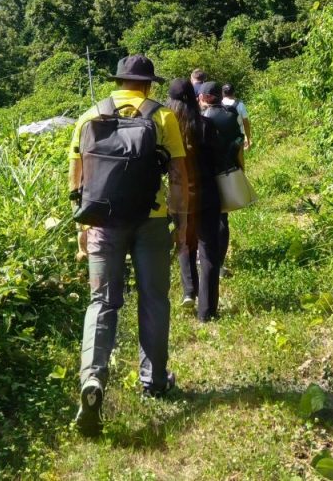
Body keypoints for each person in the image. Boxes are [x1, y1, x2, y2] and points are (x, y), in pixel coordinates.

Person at [69, 55, 188, 436]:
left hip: (102, 223)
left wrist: (82, 230)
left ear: (118, 81)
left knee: (101, 302)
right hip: (151, 222)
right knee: (153, 298)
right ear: (148, 85)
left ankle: (92, 379)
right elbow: (179, 178)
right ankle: (153, 381)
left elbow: (78, 181)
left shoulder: (89, 116)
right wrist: (181, 225)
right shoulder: (162, 117)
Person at [165, 79, 220, 311]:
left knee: (185, 245)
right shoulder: (206, 126)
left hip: (179, 197)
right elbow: (218, 162)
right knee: (208, 251)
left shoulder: (166, 131)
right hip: (206, 194)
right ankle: (206, 311)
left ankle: (189, 291)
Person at [196, 81, 245, 321]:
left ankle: (207, 264)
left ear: (204, 97)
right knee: (223, 218)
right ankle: (221, 260)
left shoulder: (202, 120)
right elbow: (238, 145)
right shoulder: (230, 115)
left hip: (206, 178)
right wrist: (241, 171)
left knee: (210, 222)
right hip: (228, 172)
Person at [222, 83, 251, 151]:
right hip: (238, 137)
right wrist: (248, 138)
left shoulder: (219, 105)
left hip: (223, 138)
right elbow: (246, 123)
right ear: (234, 92)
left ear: (222, 93)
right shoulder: (240, 104)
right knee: (239, 157)